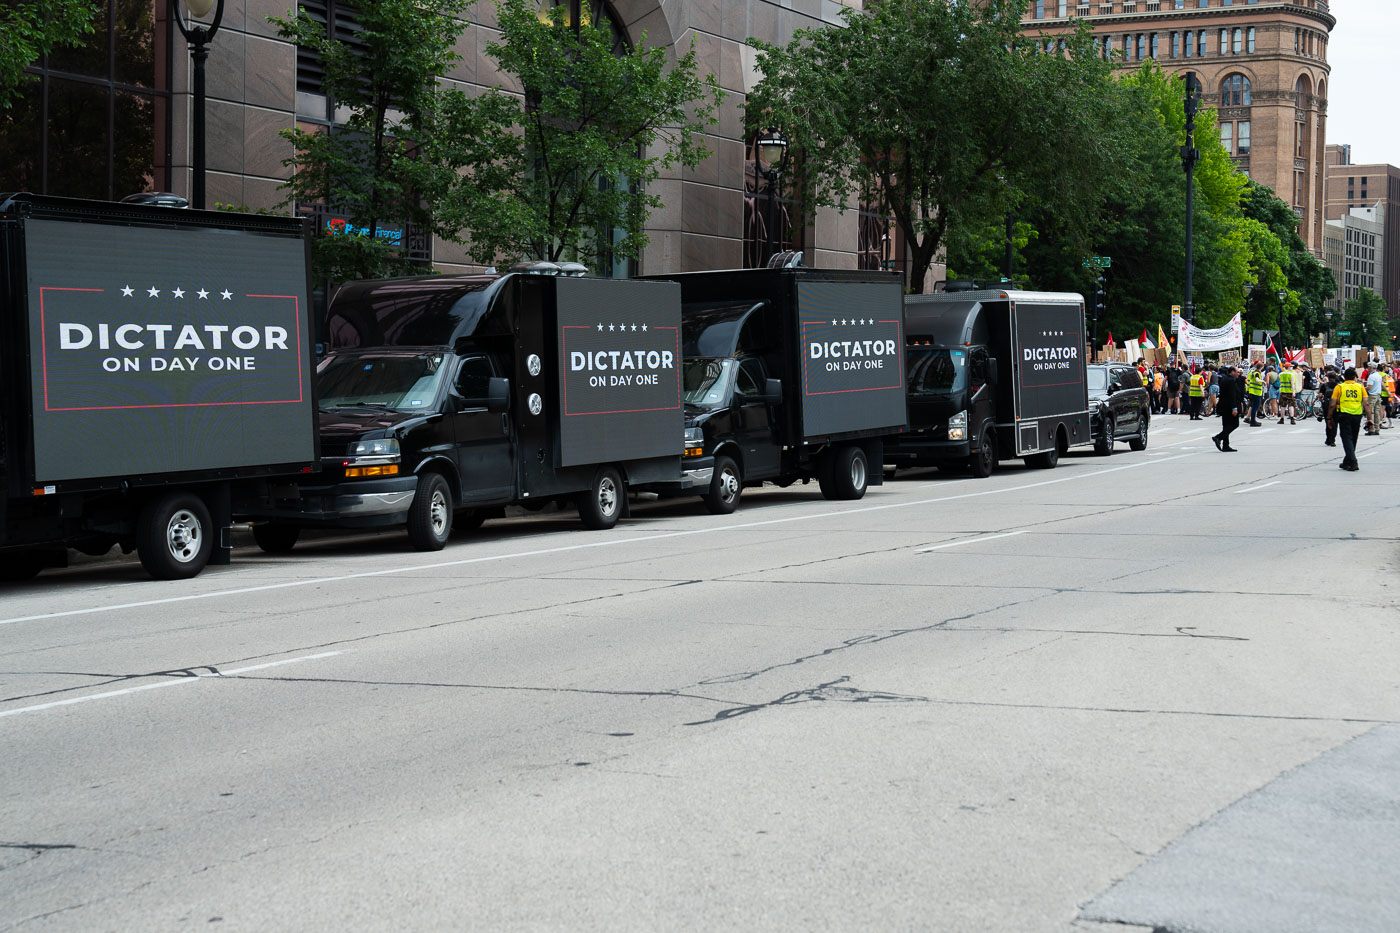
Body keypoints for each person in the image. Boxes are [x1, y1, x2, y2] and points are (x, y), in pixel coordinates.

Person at [1329, 367, 1366, 471]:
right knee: (1353, 438)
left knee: (1346, 438)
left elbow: (1332, 403)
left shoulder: (1339, 387)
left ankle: (1353, 462)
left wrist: (1329, 417)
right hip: (1357, 415)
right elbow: (1366, 403)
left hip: (1344, 415)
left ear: (1344, 376)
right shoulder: (1360, 387)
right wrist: (1370, 417)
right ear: (1355, 377)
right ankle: (1347, 461)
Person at [1213, 364, 1241, 452]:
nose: (1238, 374)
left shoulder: (1225, 379)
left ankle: (1226, 445)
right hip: (1229, 407)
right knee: (1234, 424)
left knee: (1226, 425)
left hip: (1223, 406)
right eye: (1237, 372)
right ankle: (1218, 437)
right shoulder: (1231, 381)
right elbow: (1232, 395)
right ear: (1232, 372)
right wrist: (1234, 408)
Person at [1320, 365, 1341, 446]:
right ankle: (1332, 440)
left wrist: (1322, 401)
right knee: (1335, 423)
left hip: (1327, 406)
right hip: (1336, 406)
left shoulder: (1324, 385)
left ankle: (1328, 439)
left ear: (1328, 377)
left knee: (1328, 422)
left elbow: (1320, 396)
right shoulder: (1339, 385)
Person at [1364, 363, 1384, 436]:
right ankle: (1377, 428)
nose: (1367, 369)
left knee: (1370, 412)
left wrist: (1362, 388)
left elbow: (1369, 387)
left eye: (1368, 367)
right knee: (1377, 413)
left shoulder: (1371, 376)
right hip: (1378, 395)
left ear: (1371, 368)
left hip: (1372, 395)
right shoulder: (1379, 375)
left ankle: (1371, 429)